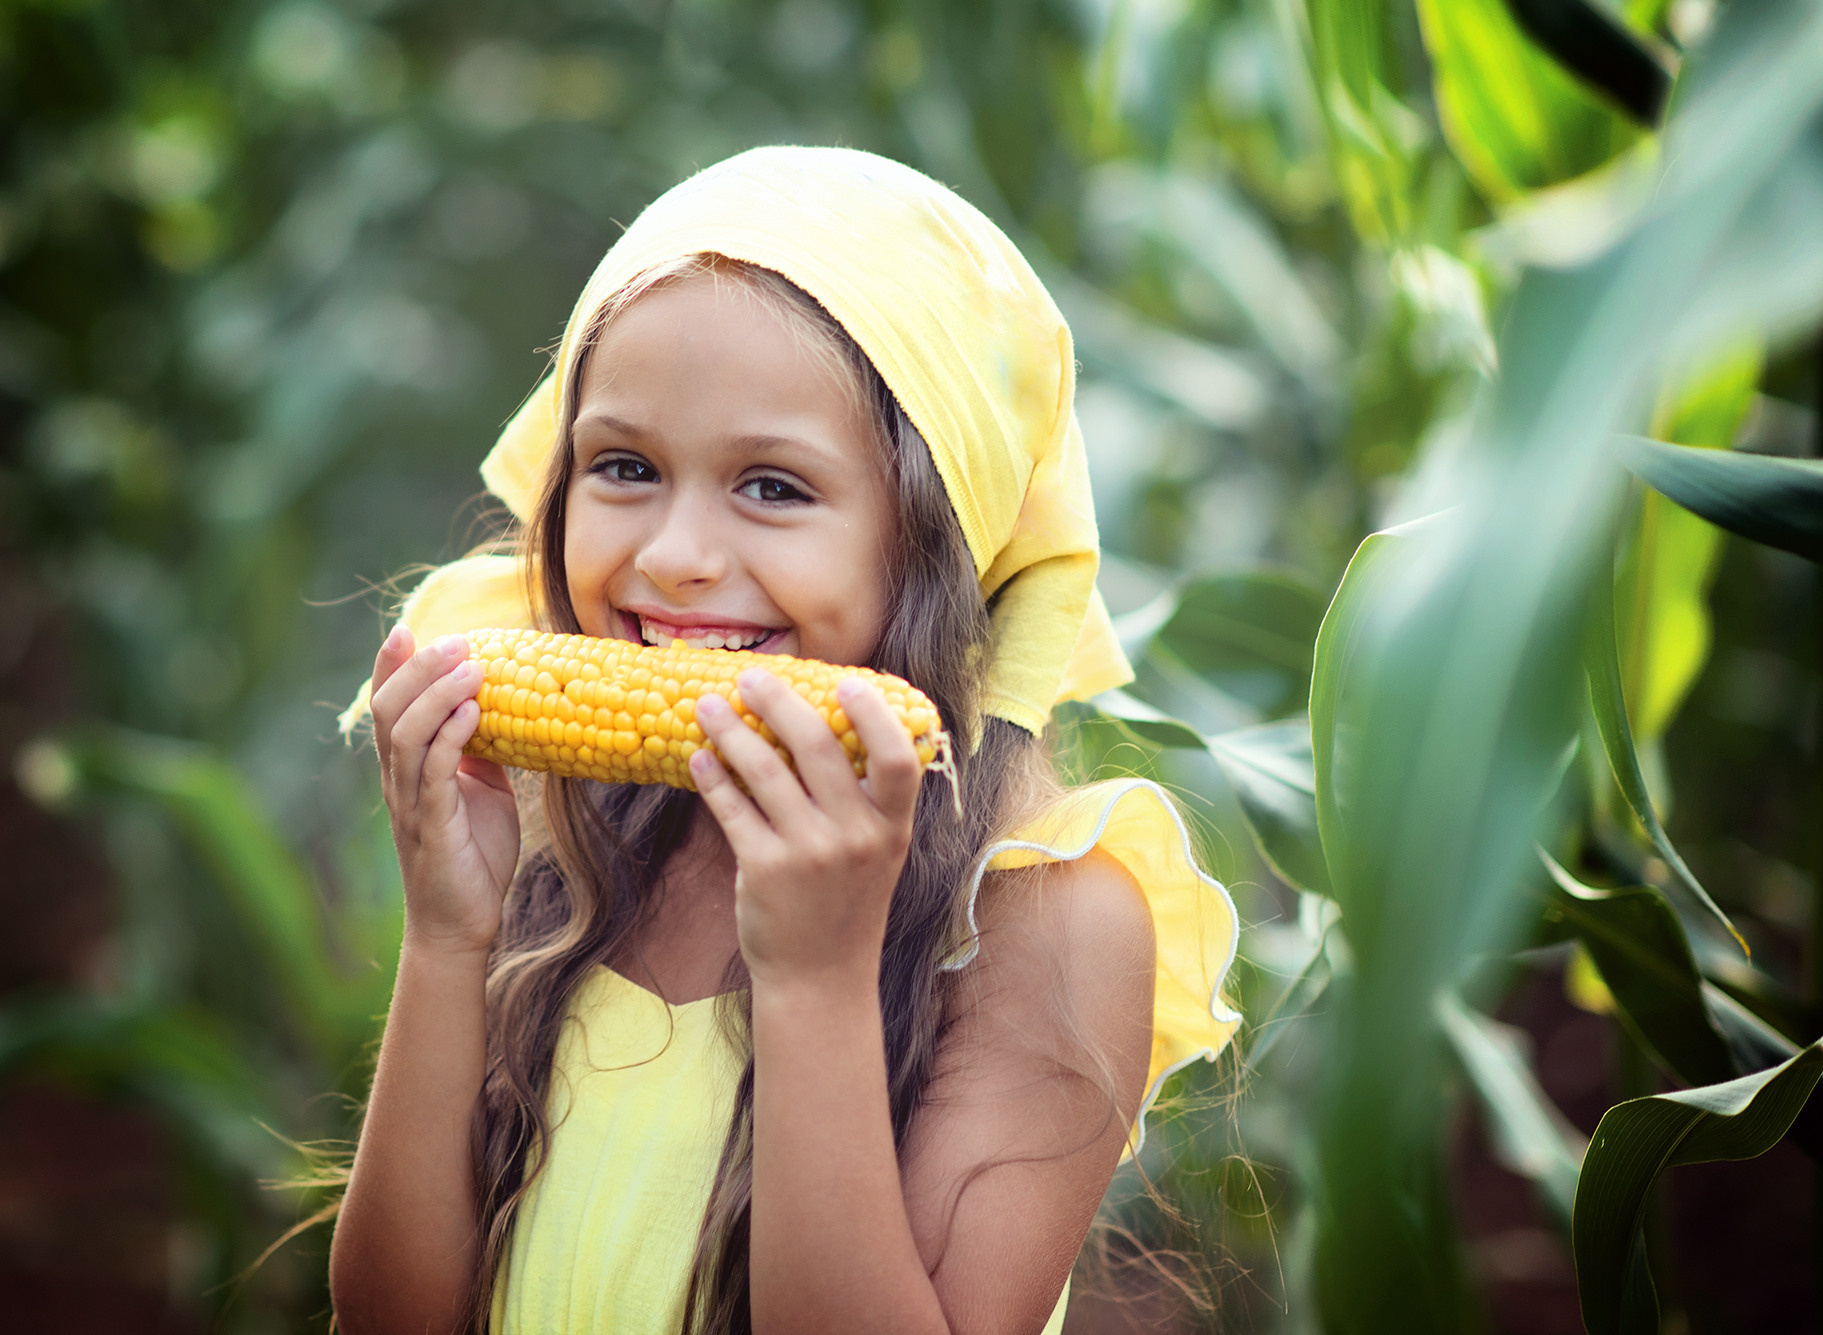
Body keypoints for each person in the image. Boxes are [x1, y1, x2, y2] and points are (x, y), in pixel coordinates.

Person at [326, 146, 1239, 1335]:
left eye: (771, 487)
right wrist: (447, 937)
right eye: (622, 468)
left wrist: (815, 982)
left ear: (933, 547)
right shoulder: (563, 839)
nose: (672, 557)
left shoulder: (1045, 923)